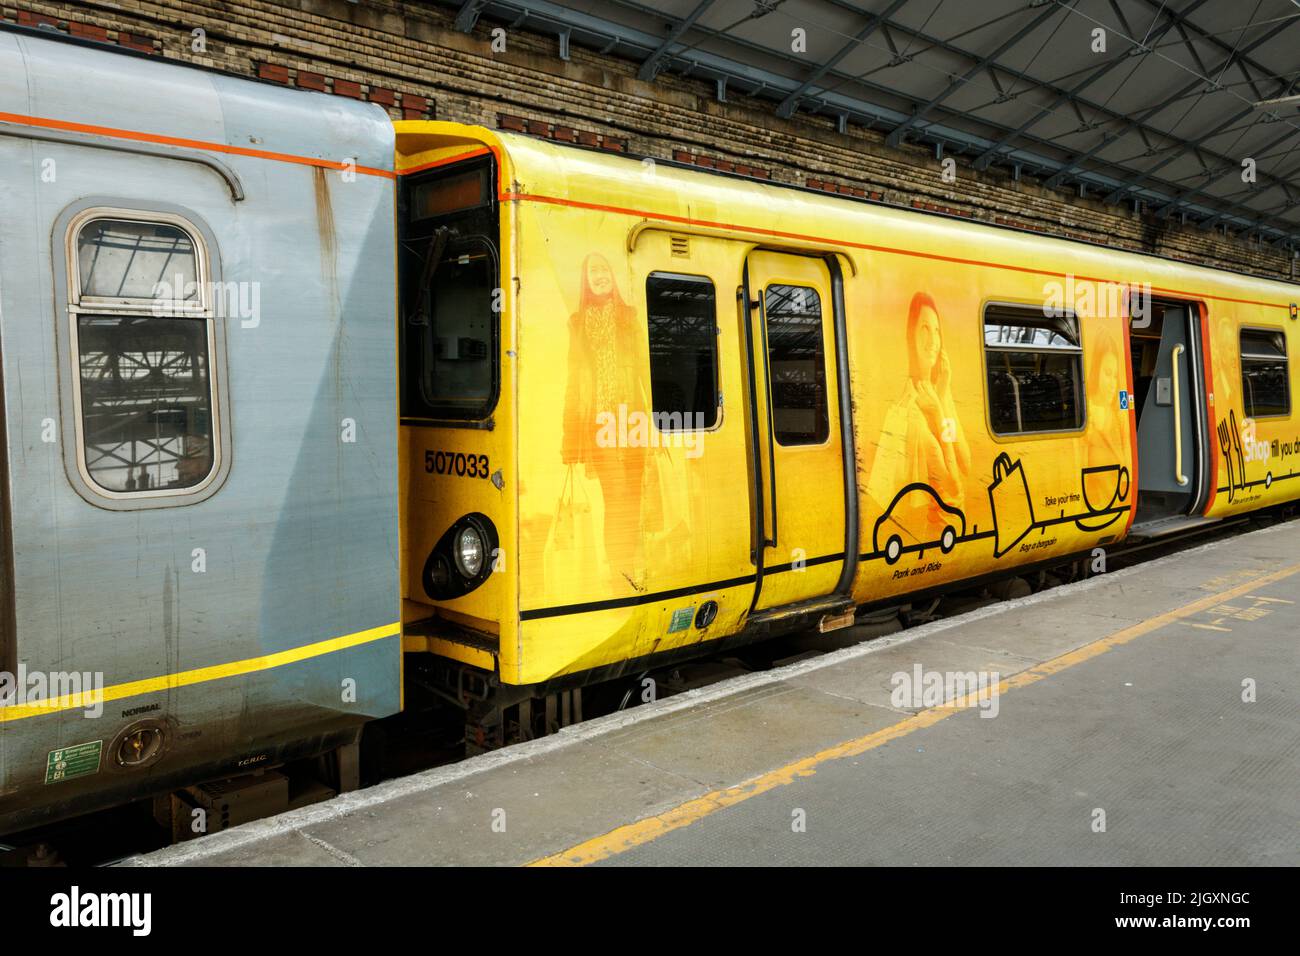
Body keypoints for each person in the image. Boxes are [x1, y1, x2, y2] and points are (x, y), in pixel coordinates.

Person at [560, 253, 650, 583]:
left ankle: (631, 566)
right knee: (617, 497)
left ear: (612, 274)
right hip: (600, 425)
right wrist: (570, 440)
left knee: (634, 497)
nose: (600, 275)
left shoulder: (629, 317)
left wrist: (658, 425)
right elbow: (573, 383)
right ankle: (619, 570)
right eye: (593, 270)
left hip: (633, 421)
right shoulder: (578, 323)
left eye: (604, 268)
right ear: (586, 280)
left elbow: (646, 371)